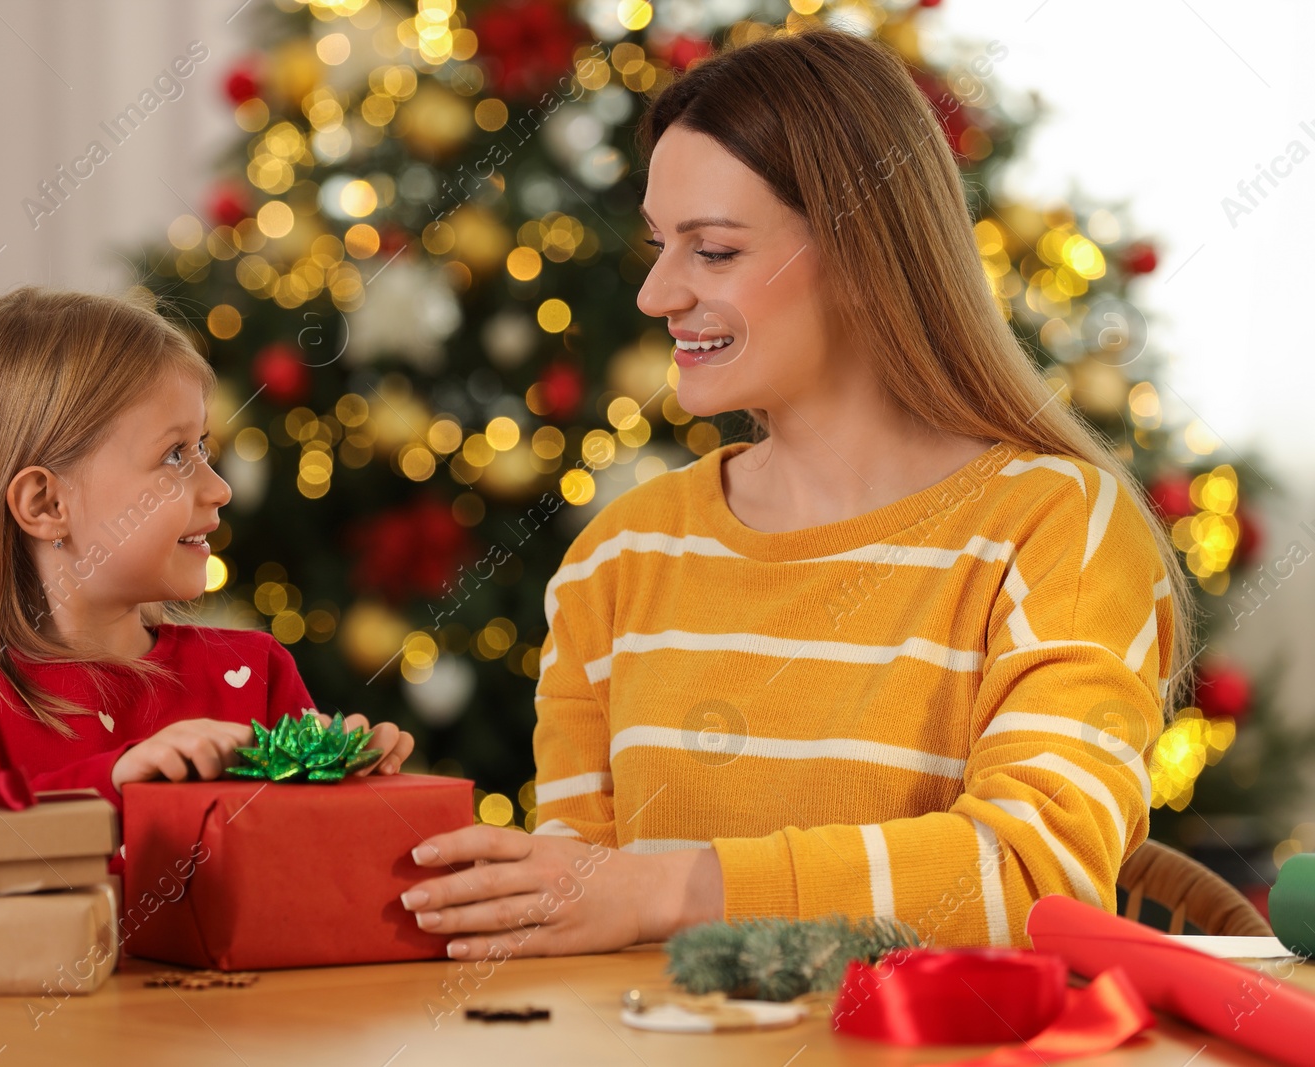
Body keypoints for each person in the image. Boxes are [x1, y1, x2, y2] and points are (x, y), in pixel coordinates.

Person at [399, 26, 1193, 960]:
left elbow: (1032, 880)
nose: (657, 293)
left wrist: (672, 885)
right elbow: (581, 915)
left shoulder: (1058, 530)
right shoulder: (622, 557)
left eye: (715, 251)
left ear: (863, 254)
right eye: (661, 245)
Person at [0, 286, 414, 828]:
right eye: (175, 455)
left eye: (203, 447)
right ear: (46, 504)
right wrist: (115, 783)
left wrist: (358, 791)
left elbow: (310, 875)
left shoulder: (255, 673)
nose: (220, 489)